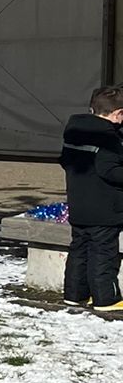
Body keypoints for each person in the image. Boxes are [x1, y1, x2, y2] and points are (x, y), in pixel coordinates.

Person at [61, 84, 123, 309]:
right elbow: (109, 170)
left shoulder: (75, 130)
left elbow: (65, 161)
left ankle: (74, 294)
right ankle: (106, 298)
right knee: (103, 253)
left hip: (79, 203)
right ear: (118, 114)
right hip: (105, 208)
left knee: (79, 249)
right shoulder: (108, 137)